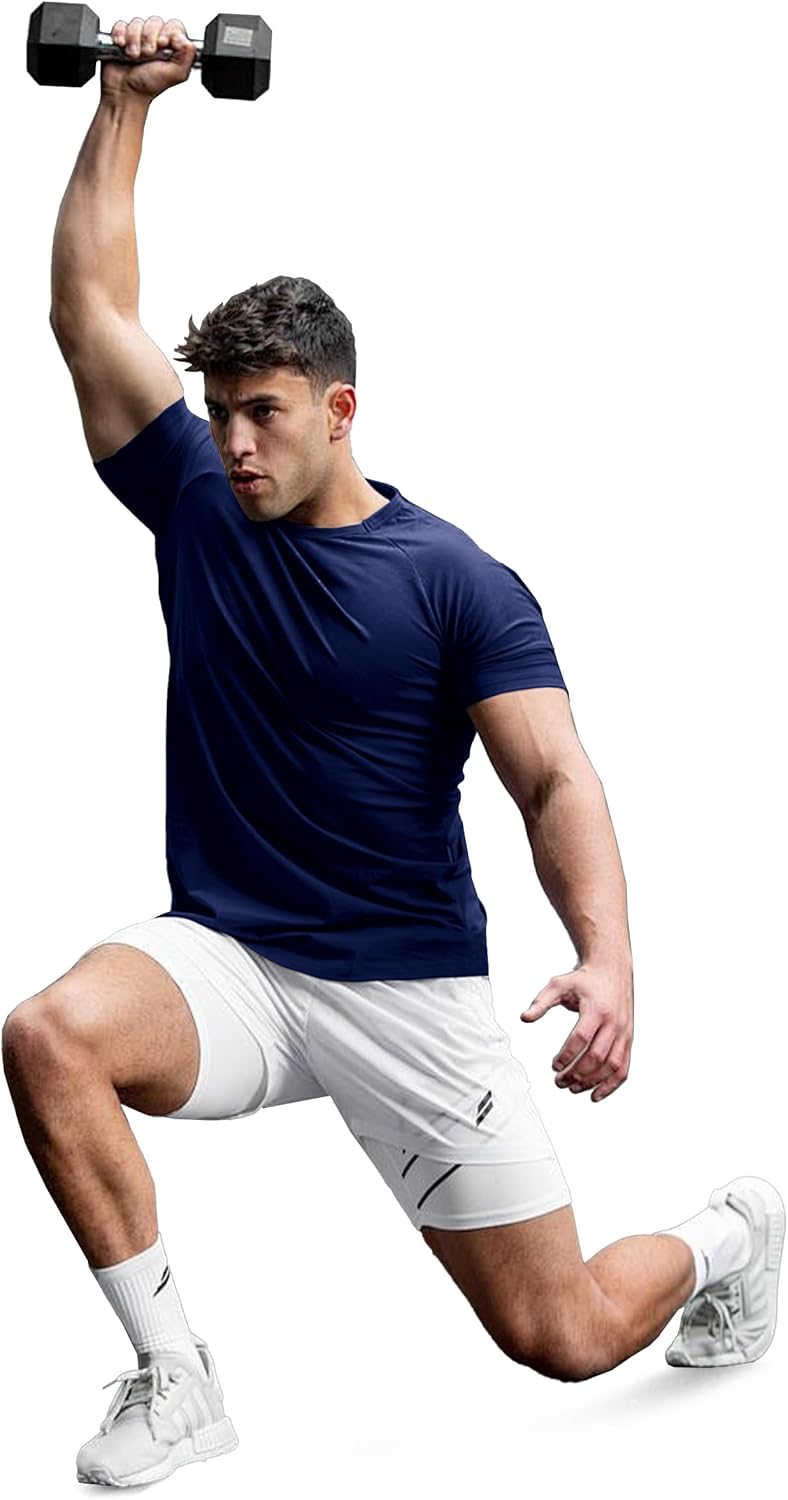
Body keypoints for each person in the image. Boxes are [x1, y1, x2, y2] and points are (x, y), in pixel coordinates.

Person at [4, 14, 783, 1492]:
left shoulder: (456, 581)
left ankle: (733, 1232)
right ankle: (180, 1380)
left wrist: (607, 956)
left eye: (264, 415)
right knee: (50, 1035)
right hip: (234, 961)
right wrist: (124, 105)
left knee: (562, 1334)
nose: (236, 444)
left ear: (340, 408)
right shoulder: (197, 501)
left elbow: (553, 778)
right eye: (221, 415)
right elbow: (88, 309)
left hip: (406, 989)